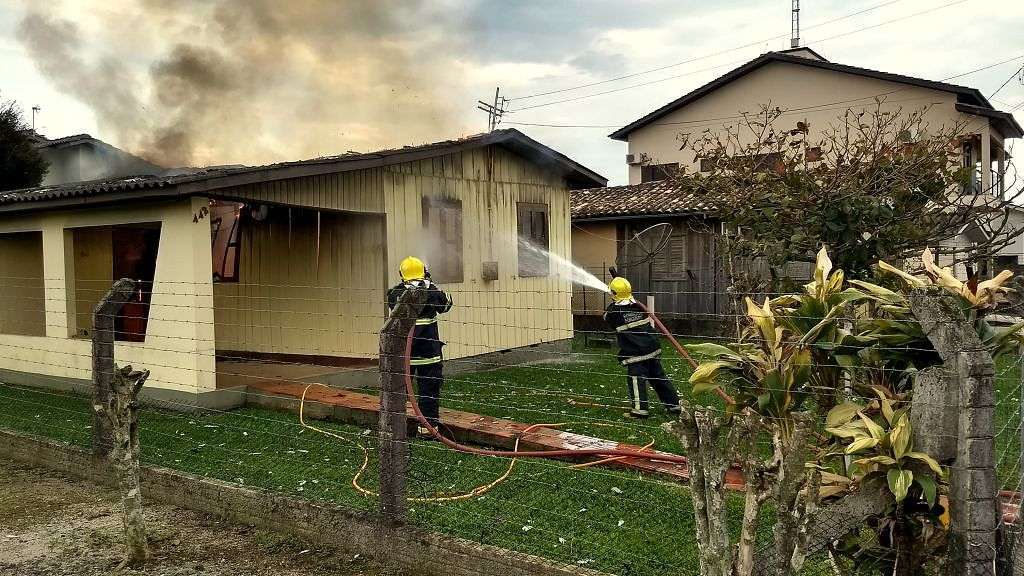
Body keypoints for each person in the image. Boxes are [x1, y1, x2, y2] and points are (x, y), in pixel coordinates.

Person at [387, 256, 453, 436]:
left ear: (402, 274)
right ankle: (427, 429)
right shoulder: (431, 291)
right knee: (428, 392)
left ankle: (396, 427)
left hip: (406, 356)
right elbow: (447, 304)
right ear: (424, 271)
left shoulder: (396, 292)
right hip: (429, 355)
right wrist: (430, 284)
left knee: (400, 391)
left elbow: (392, 304)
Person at [602, 277, 681, 418]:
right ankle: (674, 405)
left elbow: (606, 317)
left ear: (614, 293)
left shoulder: (614, 311)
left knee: (636, 379)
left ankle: (640, 410)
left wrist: (613, 303)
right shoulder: (638, 305)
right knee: (659, 378)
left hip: (636, 352)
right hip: (651, 347)